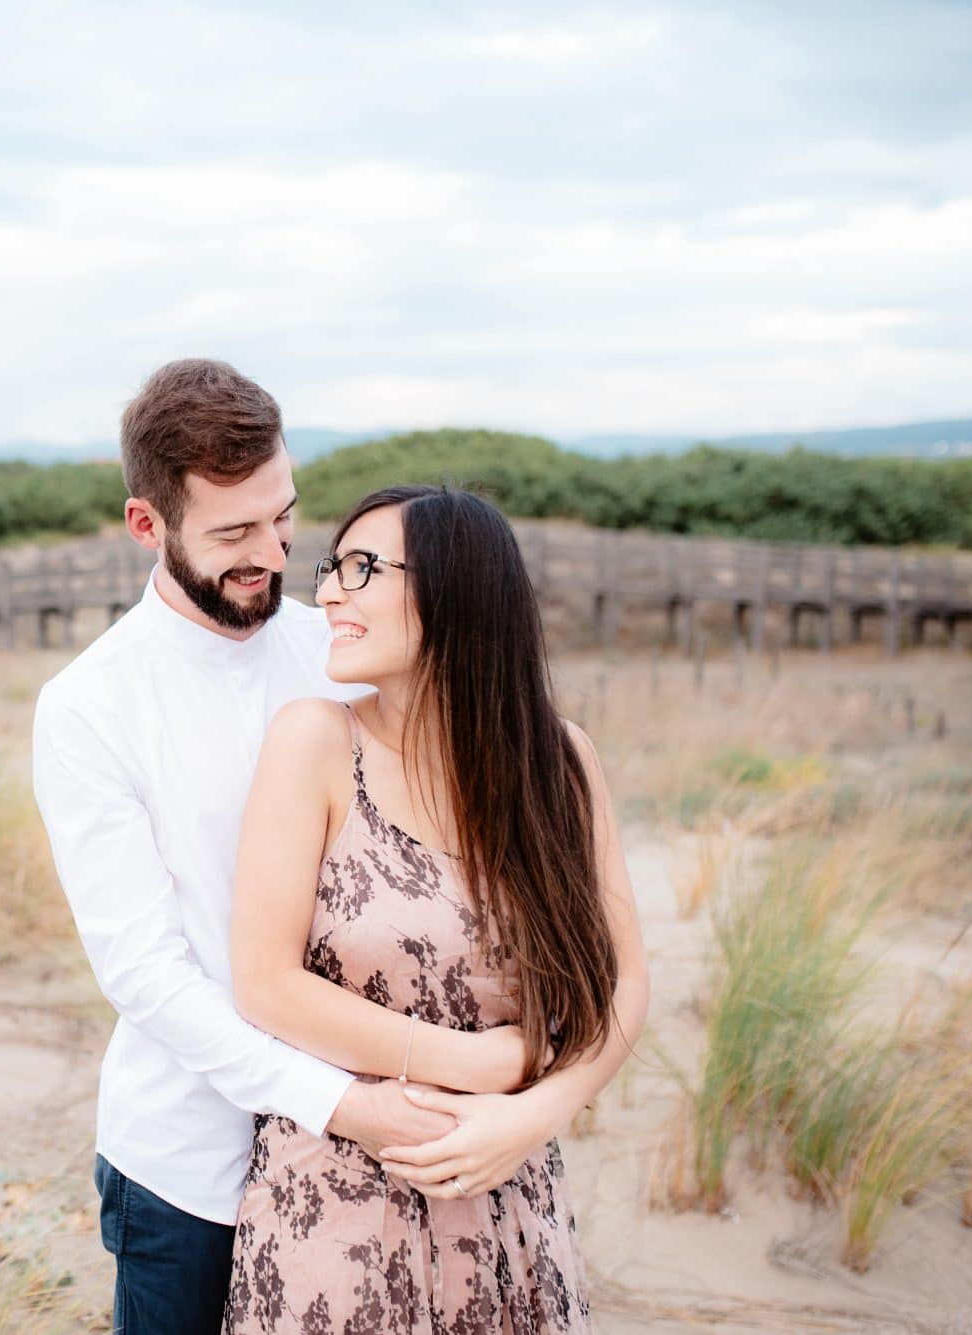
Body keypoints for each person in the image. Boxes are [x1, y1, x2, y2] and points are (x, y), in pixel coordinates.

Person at [32, 361, 468, 1334]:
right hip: (192, 1168)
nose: (270, 556)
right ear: (147, 525)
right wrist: (336, 1100)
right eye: (232, 533)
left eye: (282, 520)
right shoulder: (87, 708)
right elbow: (145, 973)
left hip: (366, 1156)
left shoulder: (340, 654)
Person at [222, 485, 650, 1332]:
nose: (330, 593)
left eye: (361, 567)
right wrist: (475, 1063)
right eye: (332, 567)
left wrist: (533, 1113)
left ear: (457, 587)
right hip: (336, 1207)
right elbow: (265, 984)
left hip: (511, 1197)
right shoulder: (314, 740)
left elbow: (624, 983)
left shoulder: (559, 763)